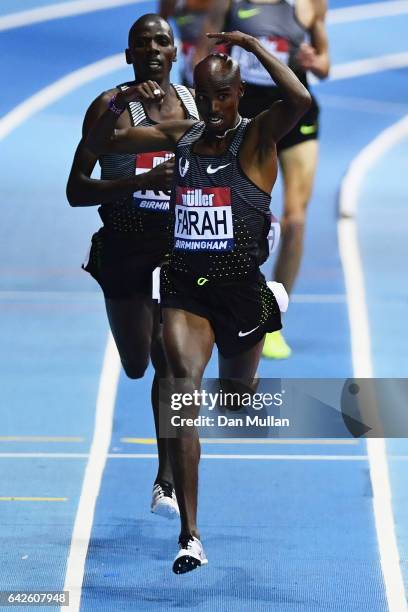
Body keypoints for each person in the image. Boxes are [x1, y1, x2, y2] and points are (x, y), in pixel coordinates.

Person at [85, 30, 311, 573]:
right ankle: (190, 535)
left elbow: (300, 101)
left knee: (235, 399)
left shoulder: (257, 138)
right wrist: (121, 95)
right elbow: (102, 140)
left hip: (239, 289)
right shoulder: (181, 136)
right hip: (185, 287)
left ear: (238, 96)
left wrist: (257, 52)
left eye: (221, 97)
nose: (211, 107)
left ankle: (271, 304)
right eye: (203, 96)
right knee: (181, 393)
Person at [66, 14, 199, 519]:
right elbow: (76, 191)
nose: (152, 50)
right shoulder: (108, 108)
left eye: (161, 41)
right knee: (138, 363)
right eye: (141, 44)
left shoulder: (193, 103)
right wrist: (138, 183)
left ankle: (166, 478)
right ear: (129, 55)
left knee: (171, 356)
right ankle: (166, 474)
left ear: (174, 51)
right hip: (123, 246)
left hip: (176, 246)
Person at [197, 0, 330, 358]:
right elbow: (205, 50)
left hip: (294, 113)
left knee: (296, 221)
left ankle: (273, 317)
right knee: (234, 214)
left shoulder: (309, 4)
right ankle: (215, 296)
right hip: (245, 117)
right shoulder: (228, 2)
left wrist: (314, 63)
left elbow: (324, 63)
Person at [159, 0, 213, 87]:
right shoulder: (168, 3)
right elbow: (161, 22)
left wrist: (201, 50)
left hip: (213, 46)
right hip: (189, 53)